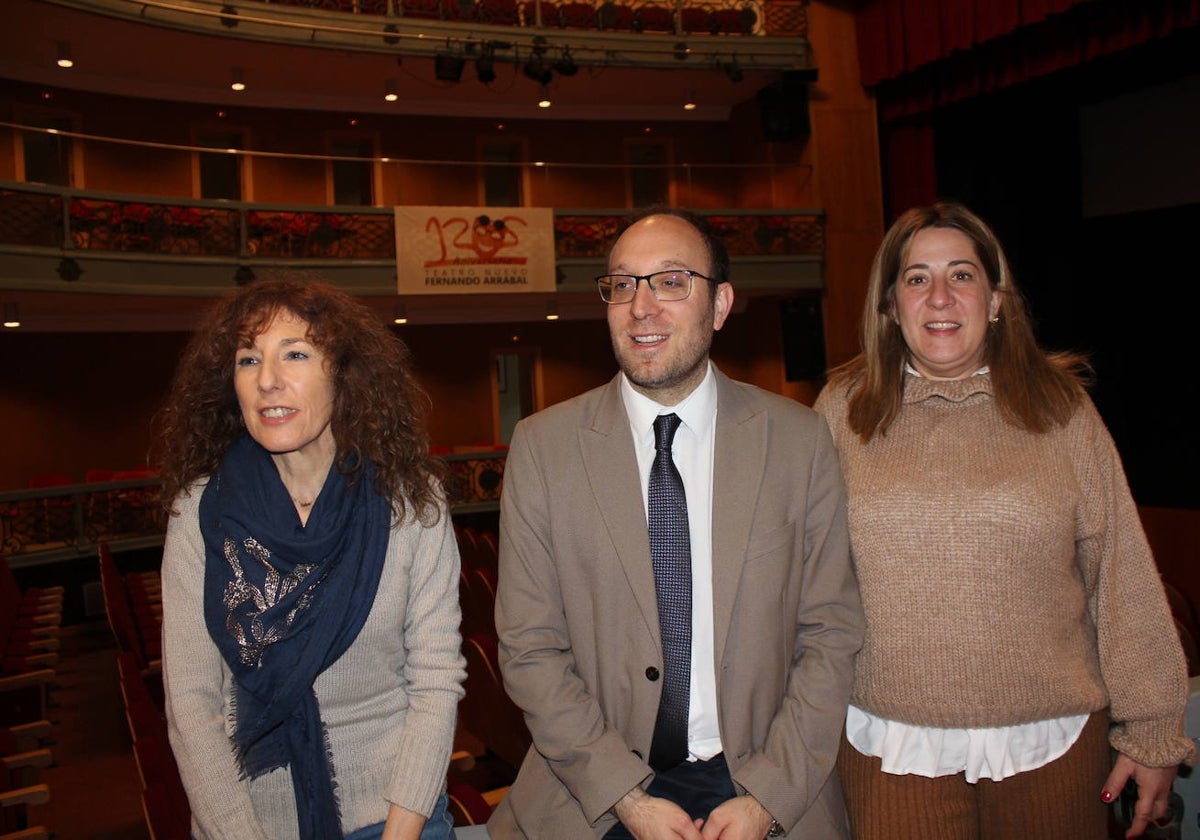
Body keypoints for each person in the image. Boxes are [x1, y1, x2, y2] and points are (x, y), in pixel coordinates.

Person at [813, 200, 1195, 839]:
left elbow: (1121, 574)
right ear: (890, 306)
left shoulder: (1061, 409)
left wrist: (1153, 730)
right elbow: (806, 580)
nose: (939, 296)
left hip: (1053, 747)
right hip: (889, 749)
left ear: (994, 299)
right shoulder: (841, 412)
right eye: (916, 278)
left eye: (961, 275)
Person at [488, 207, 865, 839]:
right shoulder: (542, 447)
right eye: (623, 284)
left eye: (670, 282)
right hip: (596, 790)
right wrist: (626, 798)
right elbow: (530, 649)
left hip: (763, 783)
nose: (642, 306)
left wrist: (768, 795)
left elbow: (830, 633)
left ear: (720, 305)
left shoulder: (798, 440)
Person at [156, 278, 466, 840]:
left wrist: (401, 830)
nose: (268, 379)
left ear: (342, 376)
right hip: (246, 826)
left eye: (295, 354)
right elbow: (191, 708)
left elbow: (436, 680)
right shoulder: (199, 514)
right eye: (249, 359)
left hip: (396, 817)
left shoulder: (411, 503)